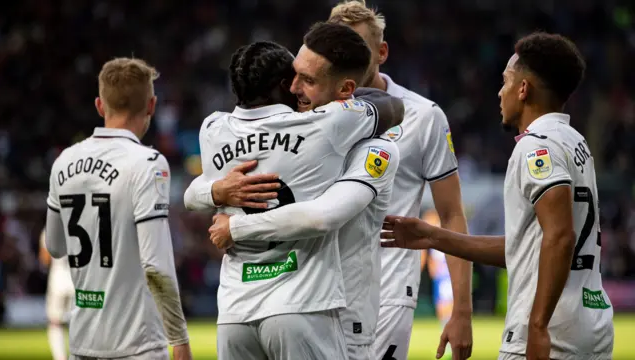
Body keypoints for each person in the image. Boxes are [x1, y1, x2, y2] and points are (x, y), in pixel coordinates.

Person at [381, 32, 614, 360]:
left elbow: (561, 237)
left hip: (550, 331)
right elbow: (525, 250)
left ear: (523, 89)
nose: (500, 90)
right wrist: (434, 236)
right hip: (590, 321)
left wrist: (537, 326)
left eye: (506, 80)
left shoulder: (537, 145)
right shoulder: (575, 142)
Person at [185, 25, 404, 360]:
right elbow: (390, 105)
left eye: (307, 79)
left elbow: (191, 193)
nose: (296, 87)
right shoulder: (322, 125)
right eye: (293, 77)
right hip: (304, 305)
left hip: (234, 312)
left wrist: (215, 193)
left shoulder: (213, 128)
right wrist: (216, 197)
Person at [328, 2, 473, 359]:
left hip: (389, 290)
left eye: (358, 48)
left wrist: (462, 310)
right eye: (338, 49)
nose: (347, 57)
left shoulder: (424, 117)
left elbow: (452, 214)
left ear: (382, 52)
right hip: (319, 286)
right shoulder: (313, 112)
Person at [44, 58, 192, 360]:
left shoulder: (64, 162)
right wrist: (178, 338)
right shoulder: (148, 164)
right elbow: (156, 264)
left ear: (100, 105)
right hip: (137, 345)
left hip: (83, 343)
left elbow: (55, 247)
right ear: (151, 105)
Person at [39, 227, 75, 360]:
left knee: (55, 322)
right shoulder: (84, 222)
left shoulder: (49, 229)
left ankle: (60, 357)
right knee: (77, 322)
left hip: (58, 282)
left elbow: (45, 259)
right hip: (77, 281)